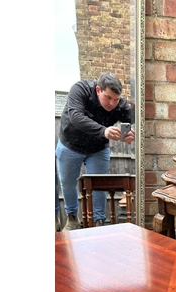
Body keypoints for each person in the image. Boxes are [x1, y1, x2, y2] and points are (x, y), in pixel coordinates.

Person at [55, 72, 135, 231]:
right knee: (68, 183)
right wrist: (103, 131)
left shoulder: (120, 104)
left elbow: (135, 119)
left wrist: (131, 132)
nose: (112, 103)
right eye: (108, 97)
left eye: (116, 99)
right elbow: (75, 116)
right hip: (70, 144)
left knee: (99, 185)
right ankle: (72, 219)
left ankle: (98, 222)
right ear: (98, 90)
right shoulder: (80, 90)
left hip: (98, 149)